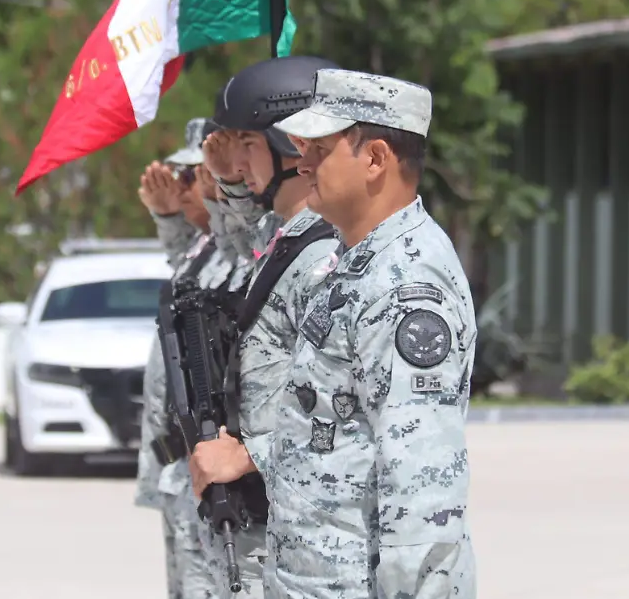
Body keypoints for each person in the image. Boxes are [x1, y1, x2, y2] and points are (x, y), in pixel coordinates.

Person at [219, 67, 478, 598]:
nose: (302, 162)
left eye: (320, 147)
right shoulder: (353, 263)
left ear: (376, 159)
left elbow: (423, 489)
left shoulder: (406, 284)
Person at [187, 55, 343, 599]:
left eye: (247, 143)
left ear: (291, 144)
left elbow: (345, 413)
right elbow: (236, 246)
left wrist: (250, 455)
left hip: (301, 527)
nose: (234, 158)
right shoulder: (287, 242)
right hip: (262, 516)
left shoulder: (324, 254)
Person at [135, 118, 248, 599]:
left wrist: (230, 192)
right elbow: (188, 269)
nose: (185, 188)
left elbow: (236, 255)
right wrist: (166, 219)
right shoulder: (204, 247)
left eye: (194, 175)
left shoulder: (242, 247)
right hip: (181, 458)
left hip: (210, 458)